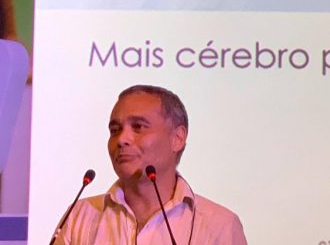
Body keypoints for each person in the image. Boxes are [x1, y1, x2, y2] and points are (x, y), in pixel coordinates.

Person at [52, 85, 248, 244]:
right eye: (115, 130)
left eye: (138, 127)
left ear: (177, 138)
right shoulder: (79, 216)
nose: (122, 139)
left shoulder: (219, 225)